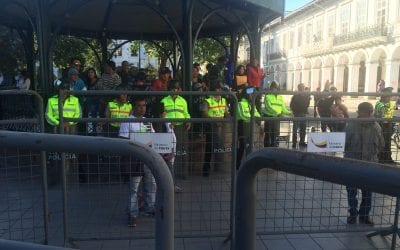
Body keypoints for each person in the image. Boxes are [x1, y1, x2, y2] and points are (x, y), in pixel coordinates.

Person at [345, 102, 384, 225]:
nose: (367, 114)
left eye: (369, 112)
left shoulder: (376, 126)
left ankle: (364, 215)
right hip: (353, 163)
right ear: (359, 112)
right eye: (365, 112)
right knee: (352, 191)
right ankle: (353, 213)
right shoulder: (351, 125)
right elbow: (344, 142)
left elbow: (381, 144)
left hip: (369, 165)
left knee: (368, 193)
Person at [119, 97, 156, 227]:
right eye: (139, 105)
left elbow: (153, 137)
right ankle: (132, 214)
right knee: (134, 188)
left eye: (144, 105)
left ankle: (149, 208)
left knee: (151, 184)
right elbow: (123, 140)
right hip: (134, 158)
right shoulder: (127, 121)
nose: (142, 108)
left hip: (147, 157)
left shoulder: (147, 121)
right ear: (134, 107)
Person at [161, 80, 191, 179]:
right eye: (173, 88)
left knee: (183, 150)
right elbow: (161, 116)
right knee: (170, 151)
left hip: (181, 127)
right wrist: (168, 123)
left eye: (176, 88)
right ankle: (170, 174)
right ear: (169, 89)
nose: (175, 90)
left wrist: (188, 121)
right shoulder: (164, 101)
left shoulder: (183, 100)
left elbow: (186, 113)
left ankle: (184, 173)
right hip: (169, 128)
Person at [202, 81, 229, 177]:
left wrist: (226, 118)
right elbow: (204, 113)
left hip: (221, 125)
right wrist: (214, 121)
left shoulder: (223, 100)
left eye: (220, 89)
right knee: (209, 148)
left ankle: (218, 168)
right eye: (217, 89)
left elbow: (226, 112)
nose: (218, 91)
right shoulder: (208, 100)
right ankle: (206, 169)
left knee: (220, 147)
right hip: (211, 126)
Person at [237, 86, 260, 169]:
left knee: (249, 146)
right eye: (251, 94)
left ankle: (248, 164)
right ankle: (237, 164)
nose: (252, 96)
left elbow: (256, 113)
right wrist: (254, 118)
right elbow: (243, 115)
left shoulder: (251, 104)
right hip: (242, 127)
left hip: (249, 127)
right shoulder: (240, 103)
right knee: (241, 147)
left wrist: (259, 118)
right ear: (246, 95)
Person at [263, 81, 291, 147]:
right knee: (268, 134)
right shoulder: (268, 96)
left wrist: (290, 113)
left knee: (276, 134)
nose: (275, 89)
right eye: (274, 88)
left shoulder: (280, 97)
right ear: (271, 88)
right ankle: (266, 148)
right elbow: (269, 107)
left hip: (277, 118)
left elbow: (283, 108)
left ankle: (275, 146)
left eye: (276, 88)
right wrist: (278, 113)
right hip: (269, 118)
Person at [374, 87, 396, 164]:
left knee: (388, 143)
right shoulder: (379, 104)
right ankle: (381, 159)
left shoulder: (391, 103)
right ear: (383, 96)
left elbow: (391, 113)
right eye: (387, 96)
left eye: (390, 96)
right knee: (382, 143)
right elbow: (379, 116)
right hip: (381, 125)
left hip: (389, 125)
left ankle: (388, 159)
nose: (389, 98)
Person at [290, 83, 310, 148]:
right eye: (302, 88)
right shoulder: (301, 96)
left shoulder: (296, 96)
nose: (303, 89)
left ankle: (296, 143)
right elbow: (307, 105)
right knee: (300, 129)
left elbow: (291, 105)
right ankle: (299, 142)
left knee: (299, 129)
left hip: (299, 114)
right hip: (300, 114)